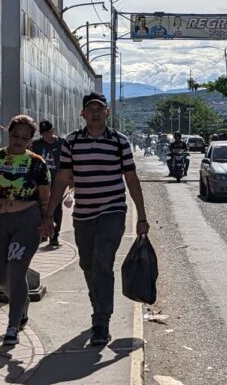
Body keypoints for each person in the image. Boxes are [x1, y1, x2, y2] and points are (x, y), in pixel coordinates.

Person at [47, 92, 150, 346]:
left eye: (99, 108)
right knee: (87, 265)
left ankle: (101, 321)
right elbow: (61, 179)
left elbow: (131, 179)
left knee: (103, 264)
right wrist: (48, 214)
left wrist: (142, 216)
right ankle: (99, 307)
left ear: (107, 112)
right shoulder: (71, 142)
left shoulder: (119, 141)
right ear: (82, 113)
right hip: (83, 215)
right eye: (90, 109)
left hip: (112, 212)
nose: (95, 112)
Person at [0, 115, 52, 346]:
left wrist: (47, 220)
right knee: (1, 276)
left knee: (16, 272)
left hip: (27, 221)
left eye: (25, 138)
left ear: (30, 140)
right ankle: (21, 304)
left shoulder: (36, 163)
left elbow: (44, 196)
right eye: (15, 135)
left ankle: (13, 324)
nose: (19, 141)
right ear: (9, 134)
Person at [30, 120, 63, 246]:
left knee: (56, 208)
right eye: (43, 134)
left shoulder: (62, 143)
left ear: (52, 130)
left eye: (48, 133)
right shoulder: (37, 145)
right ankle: (43, 233)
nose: (46, 136)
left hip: (57, 180)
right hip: (42, 181)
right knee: (41, 206)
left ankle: (54, 235)